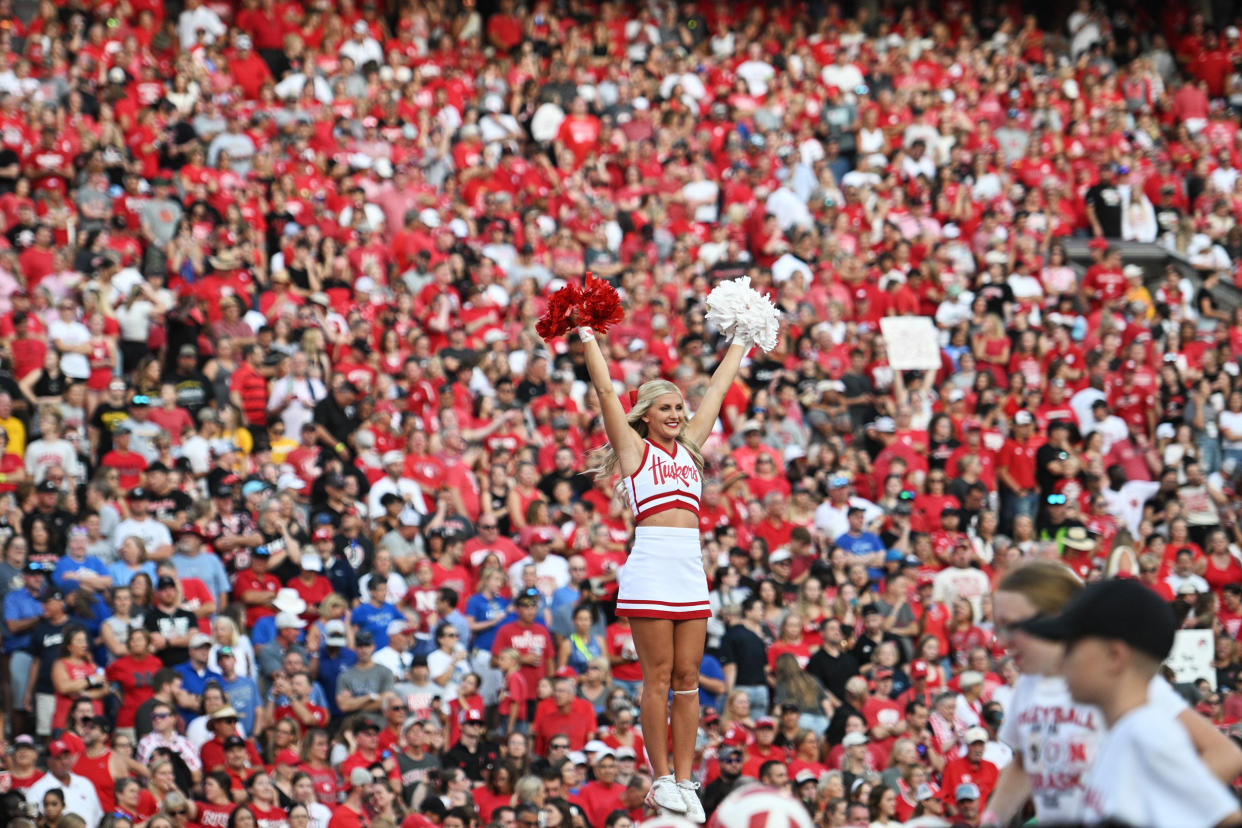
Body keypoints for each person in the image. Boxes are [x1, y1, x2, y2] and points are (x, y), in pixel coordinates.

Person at [573, 302, 749, 822]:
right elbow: (607, 392)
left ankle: (686, 778)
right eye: (666, 408)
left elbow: (716, 390)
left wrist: (742, 336)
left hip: (689, 568)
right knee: (658, 676)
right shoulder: (634, 452)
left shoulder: (691, 451)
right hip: (650, 563)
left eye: (680, 407)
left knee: (689, 676)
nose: (676, 414)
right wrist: (586, 335)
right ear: (645, 415)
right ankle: (662, 778)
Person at [985, 561, 1242, 826]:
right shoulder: (1119, 731)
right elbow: (1025, 762)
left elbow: (1224, 772)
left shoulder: (1137, 712)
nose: (1002, 640)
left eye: (1012, 626)